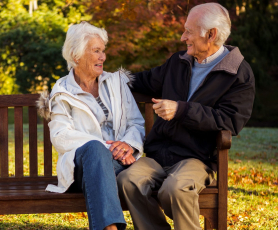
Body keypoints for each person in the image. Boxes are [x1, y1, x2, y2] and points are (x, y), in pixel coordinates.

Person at [116, 3, 256, 230]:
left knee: (175, 188)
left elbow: (230, 121)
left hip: (197, 158)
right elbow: (143, 80)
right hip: (160, 154)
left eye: (189, 31)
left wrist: (181, 110)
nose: (183, 37)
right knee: (127, 180)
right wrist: (103, 77)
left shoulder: (238, 74)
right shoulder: (178, 62)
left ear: (211, 35)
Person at [37, 21, 145, 230]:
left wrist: (127, 145)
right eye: (96, 51)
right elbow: (60, 135)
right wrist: (107, 147)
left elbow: (136, 123)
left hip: (120, 163)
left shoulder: (116, 83)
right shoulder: (62, 91)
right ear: (76, 56)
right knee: (95, 150)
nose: (103, 57)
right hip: (81, 169)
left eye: (103, 51)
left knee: (102, 164)